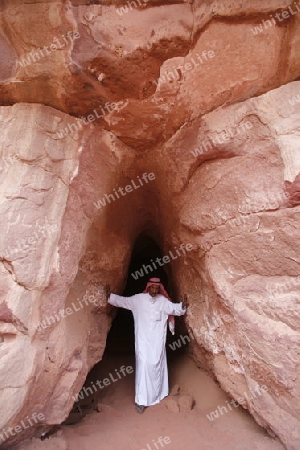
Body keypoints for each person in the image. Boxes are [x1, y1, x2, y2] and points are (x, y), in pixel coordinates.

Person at [107, 277, 187, 413]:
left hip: (157, 343)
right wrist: (110, 296)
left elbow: (174, 309)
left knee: (157, 365)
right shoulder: (138, 299)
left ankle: (158, 395)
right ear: (148, 287)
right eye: (152, 288)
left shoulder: (162, 301)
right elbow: (123, 301)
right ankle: (141, 401)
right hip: (143, 342)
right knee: (144, 366)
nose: (155, 290)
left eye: (157, 288)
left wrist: (182, 305)